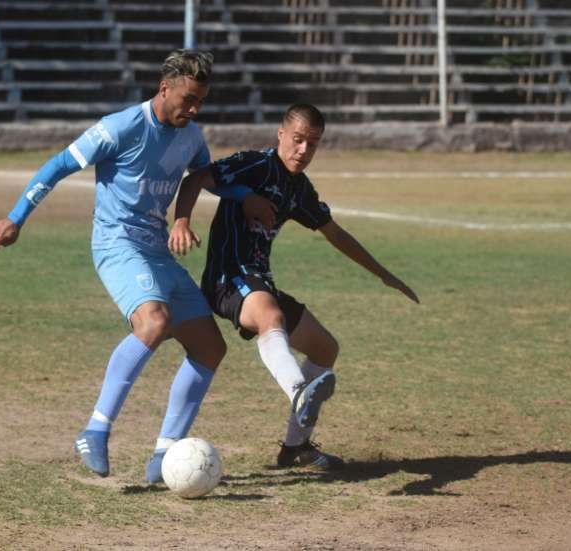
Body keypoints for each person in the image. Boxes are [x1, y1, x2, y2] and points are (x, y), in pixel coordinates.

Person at [0, 50, 316, 481]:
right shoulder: (120, 127)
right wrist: (15, 217)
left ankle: (163, 454)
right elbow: (59, 165)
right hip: (117, 244)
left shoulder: (191, 136)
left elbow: (206, 178)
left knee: (209, 348)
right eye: (189, 99)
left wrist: (240, 198)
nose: (194, 109)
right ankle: (95, 430)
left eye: (201, 101)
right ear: (165, 88)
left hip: (156, 251)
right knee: (154, 321)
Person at [167, 103, 420, 471]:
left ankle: (295, 447)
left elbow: (334, 232)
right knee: (270, 315)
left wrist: (382, 273)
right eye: (298, 140)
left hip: (259, 281)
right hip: (227, 279)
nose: (303, 150)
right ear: (281, 134)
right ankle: (298, 390)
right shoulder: (254, 164)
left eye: (312, 144)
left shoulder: (298, 188)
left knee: (324, 347)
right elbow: (195, 180)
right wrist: (181, 222)